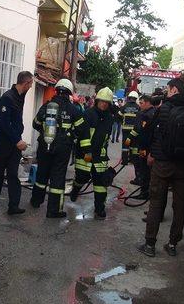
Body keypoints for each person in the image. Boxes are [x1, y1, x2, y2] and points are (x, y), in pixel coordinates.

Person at [138, 78, 184, 257]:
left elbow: (152, 134)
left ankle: (149, 245)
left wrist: (150, 153)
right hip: (183, 166)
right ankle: (172, 244)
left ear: (173, 90)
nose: (166, 92)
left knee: (156, 203)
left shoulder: (163, 109)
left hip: (162, 164)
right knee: (179, 206)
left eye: (168, 89)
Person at [30, 79, 89, 218]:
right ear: (69, 93)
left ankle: (36, 201)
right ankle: (53, 210)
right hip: (62, 149)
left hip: (45, 145)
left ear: (56, 90)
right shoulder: (73, 109)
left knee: (41, 175)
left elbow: (35, 124)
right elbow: (82, 130)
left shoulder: (46, 106)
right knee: (57, 177)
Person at [0, 71, 34, 215]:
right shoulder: (7, 98)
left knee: (13, 174)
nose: (31, 87)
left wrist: (18, 139)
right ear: (25, 83)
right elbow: (5, 123)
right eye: (31, 84)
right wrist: (17, 140)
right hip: (3, 144)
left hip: (15, 146)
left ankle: (13, 206)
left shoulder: (20, 97)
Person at [71, 87, 114, 220]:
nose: (104, 104)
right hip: (85, 153)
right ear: (97, 101)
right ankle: (76, 189)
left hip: (100, 156)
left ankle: (99, 209)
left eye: (107, 102)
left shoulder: (109, 119)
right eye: (102, 101)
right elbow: (82, 134)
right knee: (82, 177)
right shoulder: (88, 114)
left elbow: (106, 139)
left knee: (101, 184)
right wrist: (87, 151)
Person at [127, 94, 157, 200]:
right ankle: (145, 191)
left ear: (148, 102)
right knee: (144, 169)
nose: (140, 105)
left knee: (144, 170)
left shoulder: (148, 115)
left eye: (141, 103)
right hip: (145, 147)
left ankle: (144, 193)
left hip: (145, 148)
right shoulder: (150, 113)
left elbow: (143, 131)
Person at [119, 91, 140, 166]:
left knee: (125, 146)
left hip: (126, 130)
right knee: (134, 146)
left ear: (129, 97)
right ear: (136, 98)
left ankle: (124, 161)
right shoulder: (138, 107)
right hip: (134, 131)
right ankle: (132, 160)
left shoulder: (124, 107)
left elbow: (119, 115)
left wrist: (122, 122)